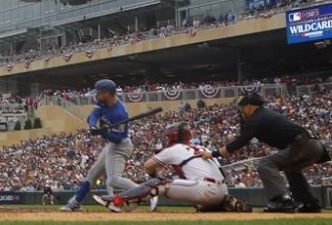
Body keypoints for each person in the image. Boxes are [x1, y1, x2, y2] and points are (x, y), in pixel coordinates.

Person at [200, 92, 329, 213]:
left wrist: (213, 154)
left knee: (266, 164)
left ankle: (282, 200)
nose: (241, 111)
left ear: (249, 107)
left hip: (303, 145)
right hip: (314, 146)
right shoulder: (264, 114)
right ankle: (309, 203)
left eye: (242, 107)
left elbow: (239, 142)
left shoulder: (256, 118)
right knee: (291, 169)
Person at [97, 123, 248, 213]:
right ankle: (220, 204)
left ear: (174, 137)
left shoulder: (174, 149)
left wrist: (153, 179)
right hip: (221, 192)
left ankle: (117, 201)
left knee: (161, 182)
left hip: (205, 189)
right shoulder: (202, 147)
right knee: (174, 179)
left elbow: (147, 166)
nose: (167, 139)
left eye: (169, 136)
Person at [60, 79, 152, 212]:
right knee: (92, 175)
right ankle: (75, 202)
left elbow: (118, 139)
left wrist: (104, 133)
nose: (96, 95)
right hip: (112, 145)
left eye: (99, 92)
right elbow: (93, 115)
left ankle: (146, 192)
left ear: (107, 93)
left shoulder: (119, 113)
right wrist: (93, 126)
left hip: (121, 146)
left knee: (114, 179)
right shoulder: (102, 103)